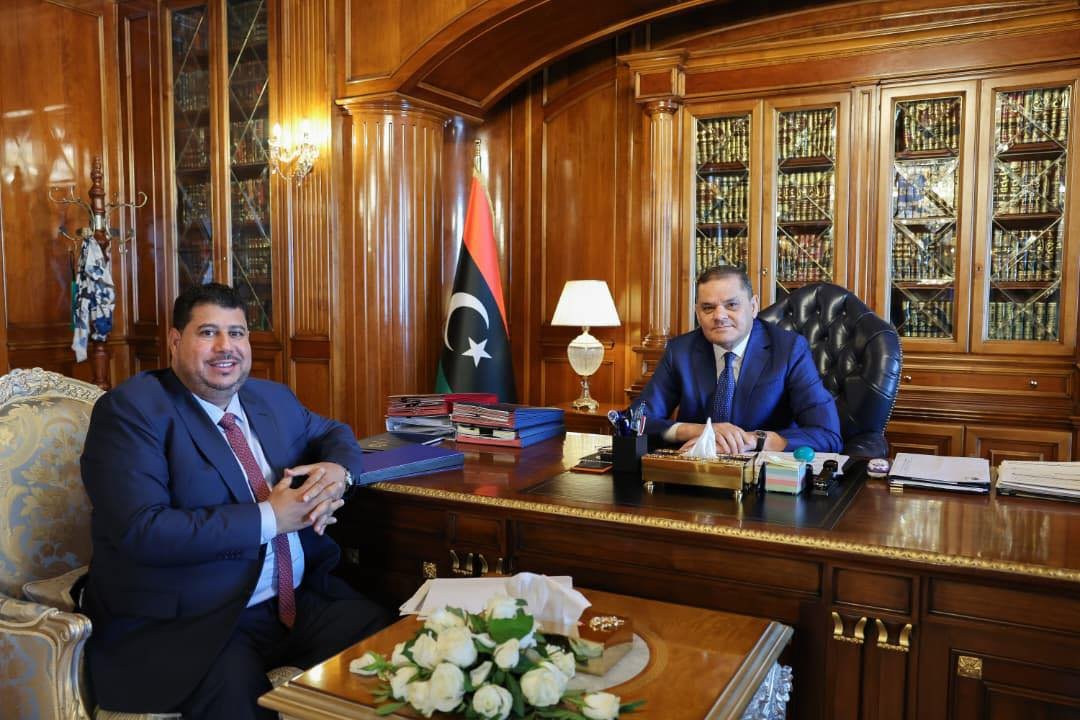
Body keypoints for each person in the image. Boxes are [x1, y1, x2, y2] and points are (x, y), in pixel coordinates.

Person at [80, 283, 389, 719]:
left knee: (388, 645)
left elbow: (332, 432)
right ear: (175, 341)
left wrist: (339, 472)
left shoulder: (272, 399)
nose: (226, 347)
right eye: (208, 332)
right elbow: (142, 530)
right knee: (239, 699)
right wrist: (271, 518)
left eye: (237, 333)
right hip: (192, 622)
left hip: (293, 602)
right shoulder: (132, 412)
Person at [636, 265, 842, 454]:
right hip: (696, 470)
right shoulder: (680, 351)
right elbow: (634, 421)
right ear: (698, 313)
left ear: (753, 306)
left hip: (764, 474)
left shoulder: (789, 350)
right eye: (708, 308)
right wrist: (701, 431)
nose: (719, 316)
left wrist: (751, 440)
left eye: (732, 305)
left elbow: (827, 434)